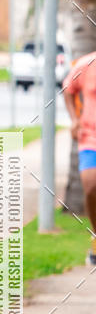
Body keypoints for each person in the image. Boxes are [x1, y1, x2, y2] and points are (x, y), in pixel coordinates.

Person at [63, 53, 96, 265]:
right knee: (91, 185)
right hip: (91, 138)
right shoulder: (87, 64)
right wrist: (74, 120)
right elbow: (68, 88)